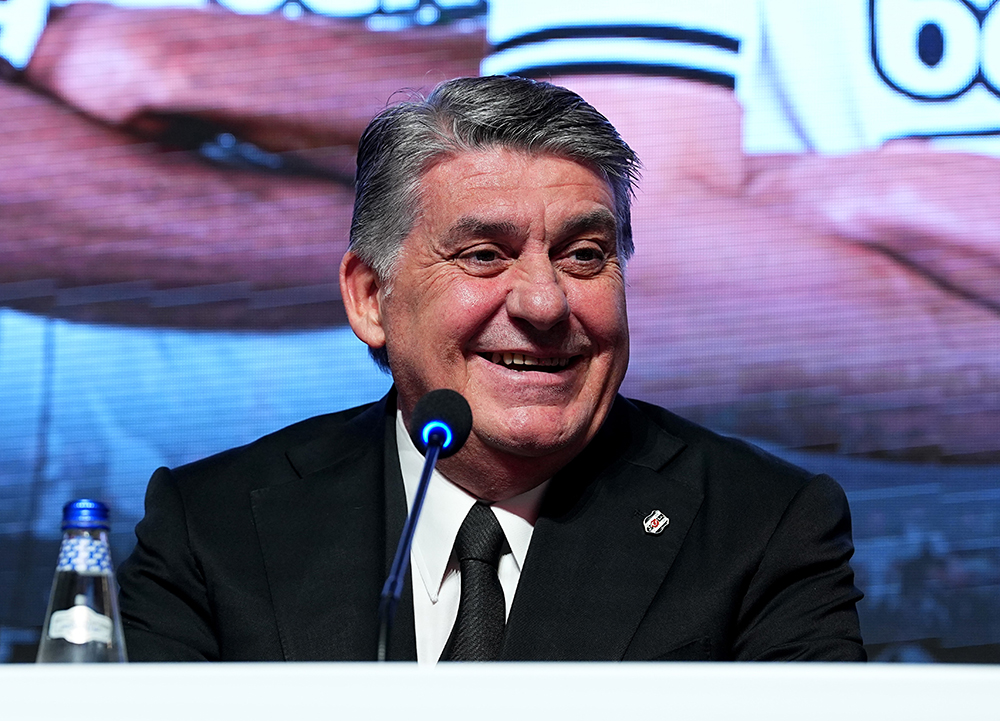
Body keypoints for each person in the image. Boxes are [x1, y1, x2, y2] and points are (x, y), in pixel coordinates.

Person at [116, 75, 865, 663]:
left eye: (584, 255)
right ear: (371, 297)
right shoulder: (212, 525)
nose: (544, 302)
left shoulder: (762, 526)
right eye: (483, 255)